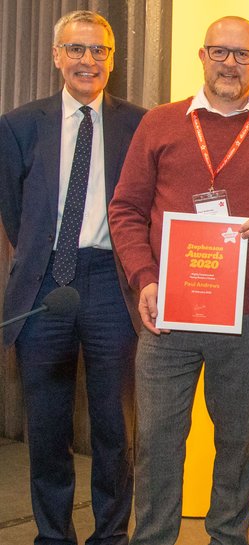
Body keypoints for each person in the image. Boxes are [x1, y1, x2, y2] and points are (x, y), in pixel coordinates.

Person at [107, 16, 249, 545]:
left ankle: (228, 538)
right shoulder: (161, 123)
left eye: (242, 56)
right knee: (156, 441)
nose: (230, 64)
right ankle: (151, 538)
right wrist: (145, 279)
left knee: (237, 444)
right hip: (168, 313)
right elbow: (125, 209)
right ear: (202, 55)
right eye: (220, 52)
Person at [0, 10, 145, 545]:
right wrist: (46, 254)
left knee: (114, 426)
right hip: (43, 284)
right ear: (57, 56)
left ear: (112, 59)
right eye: (77, 49)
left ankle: (111, 535)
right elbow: (15, 212)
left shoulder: (139, 123)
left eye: (100, 51)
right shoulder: (17, 124)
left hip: (112, 281)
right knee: (47, 426)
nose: (88, 60)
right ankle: (52, 535)